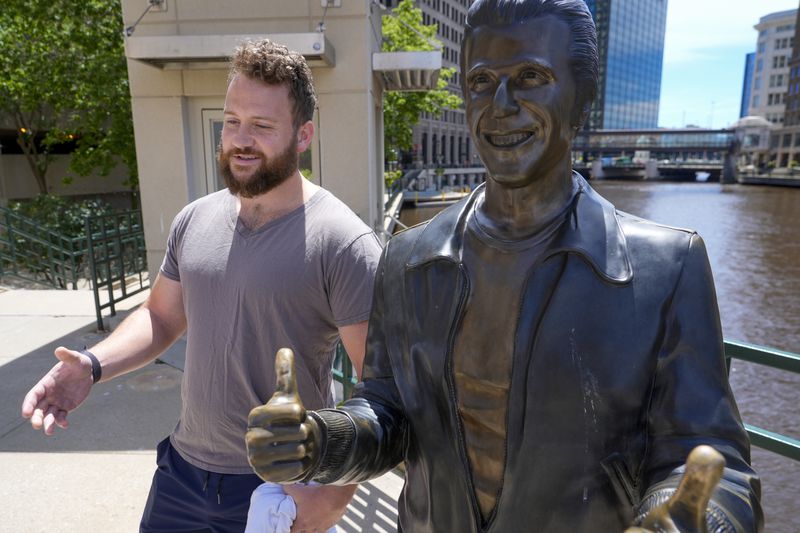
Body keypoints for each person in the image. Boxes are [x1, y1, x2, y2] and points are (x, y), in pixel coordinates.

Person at [245, 1, 764, 532]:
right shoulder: (408, 258)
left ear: (582, 98)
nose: (500, 103)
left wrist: (692, 521)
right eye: (481, 80)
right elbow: (387, 411)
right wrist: (319, 440)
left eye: (531, 77)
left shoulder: (667, 267)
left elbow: (711, 459)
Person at [21, 39, 382, 533]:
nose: (241, 139)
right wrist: (92, 365)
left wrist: (331, 497)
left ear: (304, 135)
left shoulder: (343, 241)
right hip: (181, 476)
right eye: (232, 121)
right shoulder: (195, 219)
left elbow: (379, 389)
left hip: (277, 489)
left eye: (262, 125)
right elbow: (162, 317)